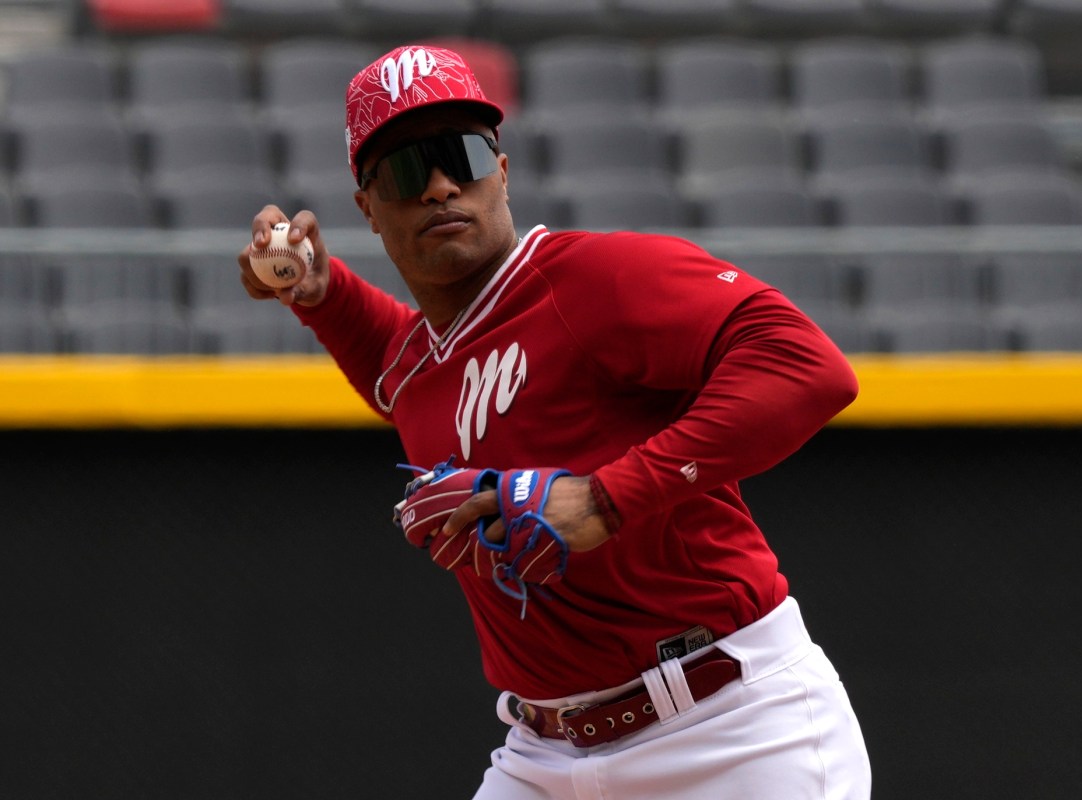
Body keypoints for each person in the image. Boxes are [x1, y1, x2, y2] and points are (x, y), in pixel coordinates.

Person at [238, 44, 871, 799]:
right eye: (409, 169)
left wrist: (607, 497)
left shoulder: (593, 280)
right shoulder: (418, 364)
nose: (442, 185)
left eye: (462, 155)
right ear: (368, 208)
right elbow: (409, 371)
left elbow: (808, 365)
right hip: (544, 756)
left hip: (733, 730)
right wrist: (323, 294)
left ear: (500, 172)